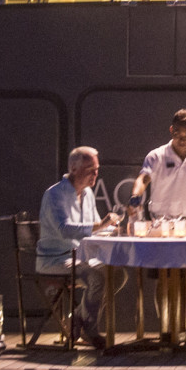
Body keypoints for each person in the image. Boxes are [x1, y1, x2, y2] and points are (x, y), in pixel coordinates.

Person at [36, 146, 109, 347]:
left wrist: (114, 229)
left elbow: (95, 227)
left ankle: (78, 318)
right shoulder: (55, 194)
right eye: (90, 170)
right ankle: (90, 329)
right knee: (97, 277)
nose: (95, 174)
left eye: (97, 169)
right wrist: (102, 225)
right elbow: (65, 229)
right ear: (74, 169)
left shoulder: (88, 194)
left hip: (79, 257)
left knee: (116, 274)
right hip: (55, 259)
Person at [135, 108, 186, 220]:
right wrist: (135, 197)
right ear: (171, 130)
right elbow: (143, 179)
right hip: (159, 222)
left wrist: (180, 200)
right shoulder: (155, 156)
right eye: (178, 133)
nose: (182, 140)